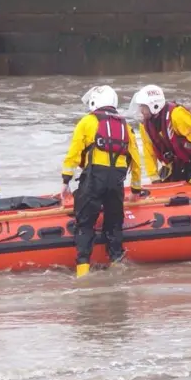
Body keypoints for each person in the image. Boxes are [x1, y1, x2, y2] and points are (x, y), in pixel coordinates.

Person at [61, 85, 143, 278]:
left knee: (85, 225)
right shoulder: (125, 126)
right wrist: (136, 188)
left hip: (93, 180)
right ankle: (116, 266)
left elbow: (73, 154)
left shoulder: (87, 122)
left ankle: (83, 271)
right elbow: (136, 161)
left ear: (94, 102)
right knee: (114, 226)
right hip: (116, 183)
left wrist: (65, 181)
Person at [130, 84, 191, 184]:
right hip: (175, 164)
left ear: (154, 105)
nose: (141, 111)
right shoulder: (145, 126)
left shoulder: (177, 115)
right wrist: (154, 177)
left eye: (143, 107)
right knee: (165, 182)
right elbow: (149, 152)